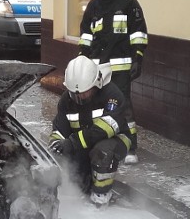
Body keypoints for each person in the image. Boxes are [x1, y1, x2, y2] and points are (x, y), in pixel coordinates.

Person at [78, 0, 148, 165]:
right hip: (98, 68)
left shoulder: (129, 3)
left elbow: (139, 32)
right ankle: (101, 141)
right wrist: (82, 57)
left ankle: (130, 147)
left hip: (121, 68)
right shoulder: (94, 5)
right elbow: (86, 35)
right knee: (98, 106)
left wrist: (138, 58)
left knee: (123, 106)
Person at [48, 56, 133, 208]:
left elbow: (104, 129)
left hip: (115, 140)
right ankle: (87, 183)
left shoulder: (112, 96)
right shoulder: (66, 100)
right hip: (84, 142)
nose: (79, 97)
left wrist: (72, 142)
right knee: (79, 185)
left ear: (96, 84)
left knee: (102, 151)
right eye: (75, 93)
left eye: (84, 93)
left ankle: (101, 196)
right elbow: (59, 129)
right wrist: (56, 145)